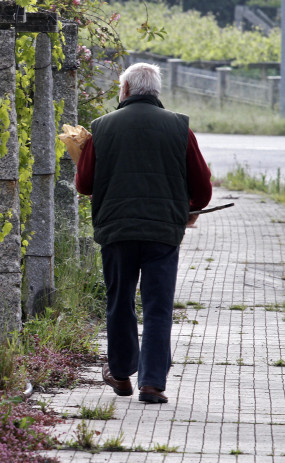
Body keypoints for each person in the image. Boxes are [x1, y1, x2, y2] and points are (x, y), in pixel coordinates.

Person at [75, 63, 212, 404]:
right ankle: (152, 383)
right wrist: (190, 210)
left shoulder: (101, 128)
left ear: (125, 90)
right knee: (158, 305)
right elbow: (202, 187)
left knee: (120, 300)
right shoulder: (181, 127)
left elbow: (84, 184)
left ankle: (121, 375)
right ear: (156, 91)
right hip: (162, 231)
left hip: (117, 230)